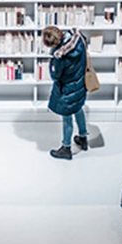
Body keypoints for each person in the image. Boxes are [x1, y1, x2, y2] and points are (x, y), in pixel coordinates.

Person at [41, 26, 88, 160]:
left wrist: (52, 64)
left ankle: (66, 148)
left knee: (66, 116)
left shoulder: (60, 58)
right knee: (78, 108)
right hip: (80, 83)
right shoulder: (79, 40)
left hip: (67, 88)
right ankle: (83, 137)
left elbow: (55, 75)